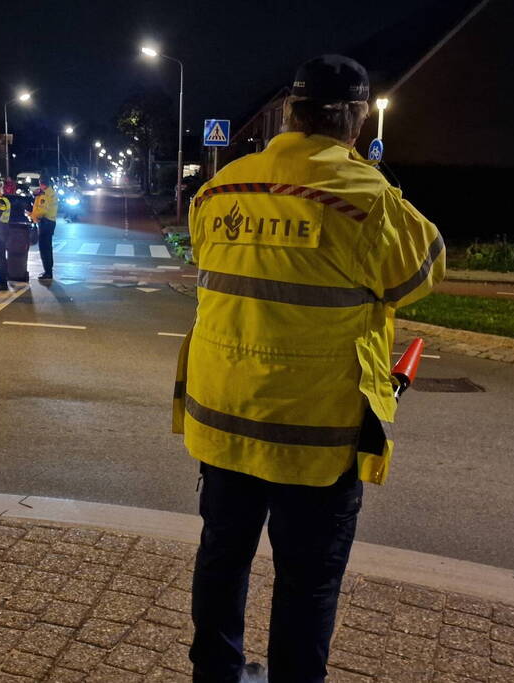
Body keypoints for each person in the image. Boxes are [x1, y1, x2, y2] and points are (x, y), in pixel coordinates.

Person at [174, 55, 445, 683]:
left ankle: (215, 673)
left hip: (224, 419)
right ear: (354, 120)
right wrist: (371, 176)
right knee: (307, 580)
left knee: (222, 558)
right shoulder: (368, 200)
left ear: (291, 114)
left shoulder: (220, 189)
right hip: (316, 435)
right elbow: (424, 272)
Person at [29, 177, 59, 280]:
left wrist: (32, 215)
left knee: (44, 249)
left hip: (45, 223)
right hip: (50, 222)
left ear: (42, 184)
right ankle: (48, 271)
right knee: (47, 248)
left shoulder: (45, 195)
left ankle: (48, 272)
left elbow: (42, 211)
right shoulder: (50, 192)